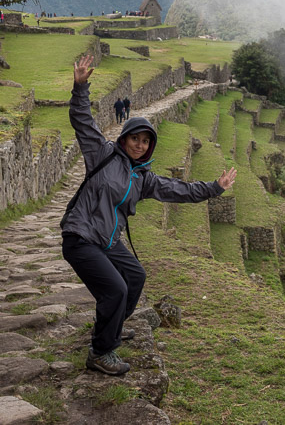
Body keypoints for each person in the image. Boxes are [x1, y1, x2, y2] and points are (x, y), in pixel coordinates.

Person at [62, 54, 236, 375]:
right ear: (124, 138)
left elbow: (180, 191)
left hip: (108, 240)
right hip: (82, 237)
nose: (140, 145)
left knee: (136, 277)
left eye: (146, 141)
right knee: (116, 289)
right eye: (135, 138)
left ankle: (110, 331)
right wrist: (80, 87)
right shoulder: (101, 153)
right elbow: (82, 121)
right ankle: (101, 352)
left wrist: (215, 187)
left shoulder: (144, 178)